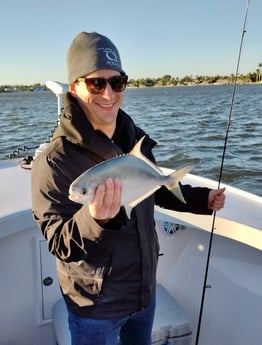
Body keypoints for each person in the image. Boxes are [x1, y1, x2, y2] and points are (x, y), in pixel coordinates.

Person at [31, 31, 225, 345]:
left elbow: (154, 188)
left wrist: (202, 199)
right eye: (96, 83)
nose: (108, 94)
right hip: (95, 307)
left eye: (117, 82)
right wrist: (96, 220)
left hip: (144, 294)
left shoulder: (134, 141)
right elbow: (59, 242)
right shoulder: (55, 161)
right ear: (74, 87)